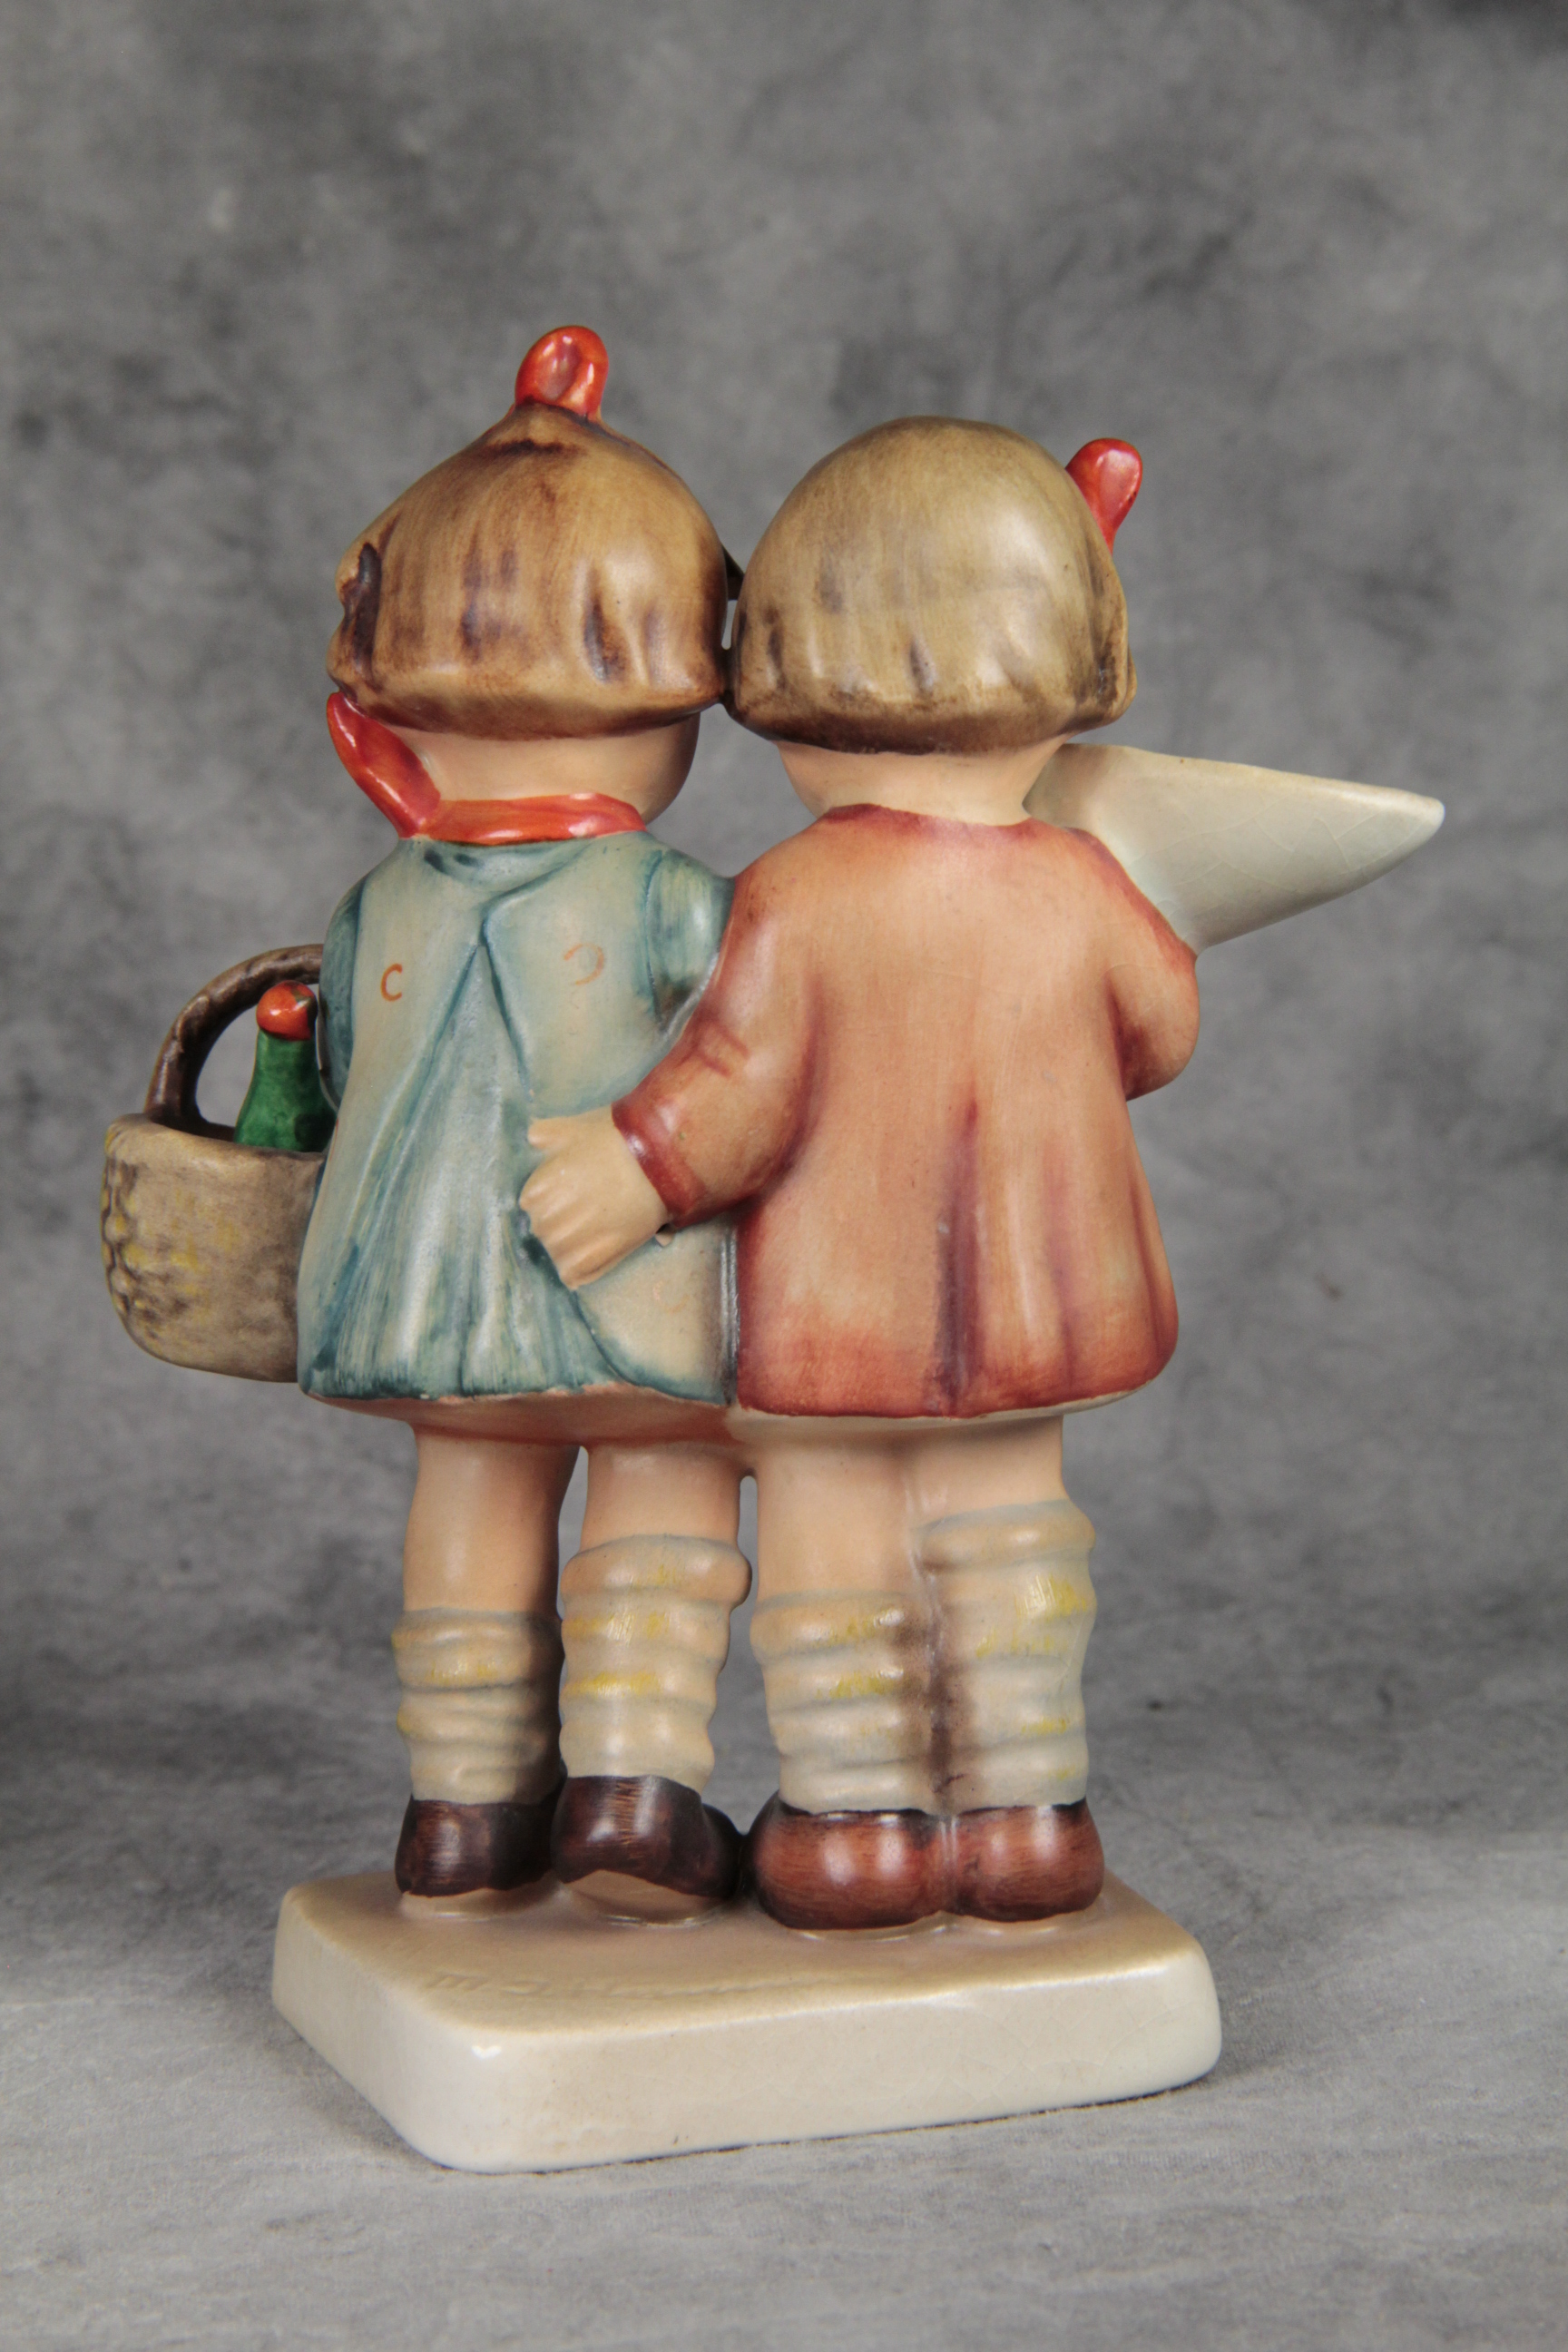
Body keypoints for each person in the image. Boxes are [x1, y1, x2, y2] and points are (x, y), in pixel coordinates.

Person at [522, 416, 1201, 1928]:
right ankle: (1027, 1815)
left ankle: (855, 1825)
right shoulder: (1085, 886)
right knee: (1013, 1543)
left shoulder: (798, 891)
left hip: (837, 1316)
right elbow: (1162, 1033)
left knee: (834, 1559)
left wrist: (632, 1166)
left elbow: (737, 1091)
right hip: (1050, 1302)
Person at [298, 328, 750, 1915]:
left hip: (411, 1288)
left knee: (471, 1495)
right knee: (667, 1475)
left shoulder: (377, 904)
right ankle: (633, 1783)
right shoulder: (677, 901)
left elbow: (337, 1063)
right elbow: (756, 1062)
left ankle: (463, 1804)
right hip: (627, 1285)